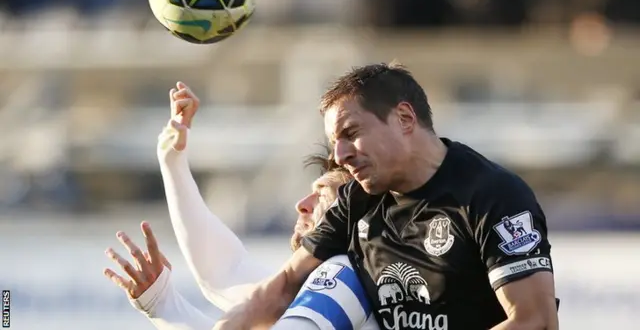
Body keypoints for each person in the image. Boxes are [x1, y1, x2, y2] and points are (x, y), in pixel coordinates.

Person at [212, 62, 559, 330]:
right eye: (335, 142)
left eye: (350, 133)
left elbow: (535, 320)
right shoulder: (356, 201)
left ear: (404, 118)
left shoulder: (491, 194)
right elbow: (284, 285)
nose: (339, 155)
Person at [103, 83, 378, 330]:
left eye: (322, 195)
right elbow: (226, 271)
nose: (301, 205)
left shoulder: (343, 277)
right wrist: (161, 304)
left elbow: (226, 274)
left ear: (351, 215)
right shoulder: (317, 282)